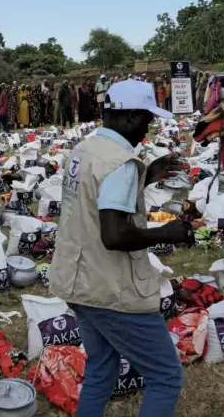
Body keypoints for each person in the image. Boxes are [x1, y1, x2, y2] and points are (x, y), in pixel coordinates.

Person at [50, 80, 191, 417]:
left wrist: (147, 176)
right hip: (109, 288)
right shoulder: (121, 163)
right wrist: (166, 233)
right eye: (146, 119)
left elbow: (94, 200)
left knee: (101, 368)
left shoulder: (84, 150)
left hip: (77, 280)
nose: (147, 128)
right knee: (166, 376)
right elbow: (114, 236)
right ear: (130, 116)